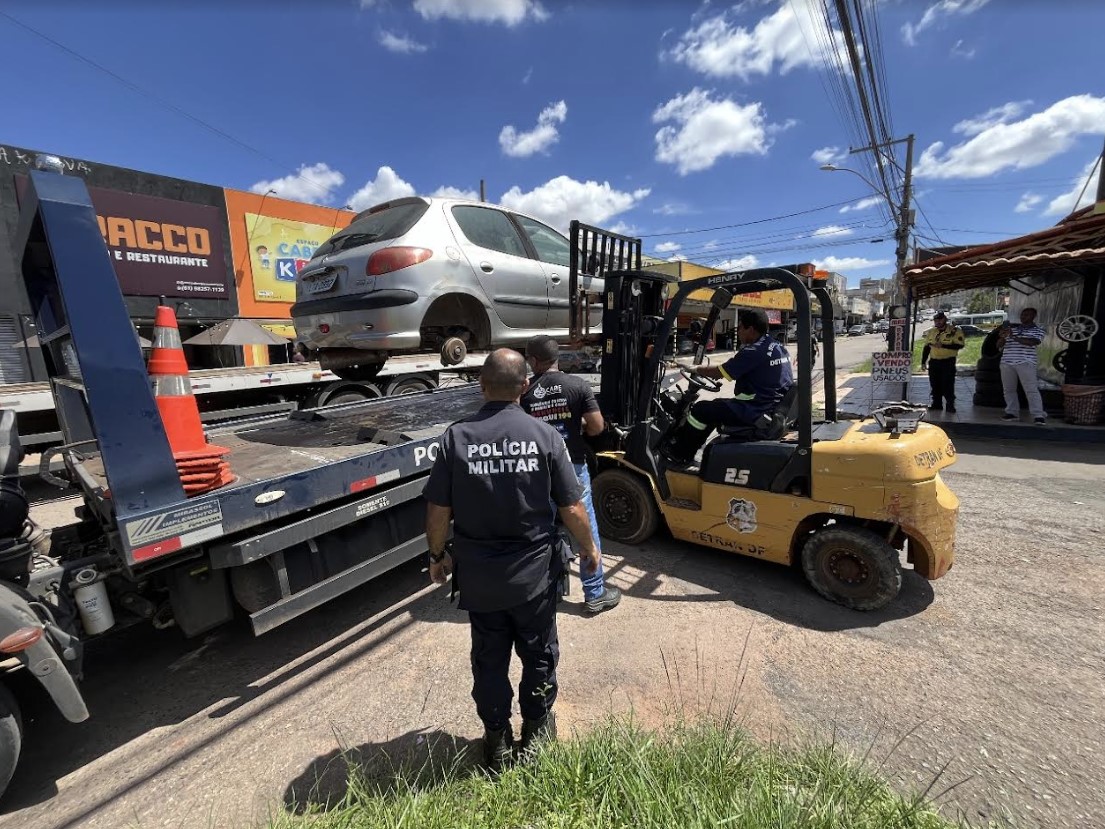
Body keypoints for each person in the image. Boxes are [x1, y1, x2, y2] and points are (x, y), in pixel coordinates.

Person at [423, 349, 601, 770]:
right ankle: (536, 734)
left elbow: (437, 510)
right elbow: (572, 508)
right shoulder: (545, 436)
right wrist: (590, 551)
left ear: (482, 387)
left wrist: (436, 555)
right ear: (525, 386)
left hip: (481, 580)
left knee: (489, 659)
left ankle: (496, 740)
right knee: (539, 655)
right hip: (534, 579)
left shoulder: (456, 437)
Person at [521, 336, 621, 615]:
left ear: (534, 361)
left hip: (539, 473)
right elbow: (597, 426)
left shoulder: (526, 392)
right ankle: (595, 593)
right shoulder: (578, 385)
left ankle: (546, 592)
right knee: (585, 529)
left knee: (542, 532)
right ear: (556, 359)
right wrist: (579, 435)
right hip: (572, 468)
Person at [664, 309, 793, 464]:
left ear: (750, 329)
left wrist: (695, 369)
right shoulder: (775, 346)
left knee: (700, 410)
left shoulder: (754, 351)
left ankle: (680, 453)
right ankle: (693, 446)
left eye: (740, 328)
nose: (738, 332)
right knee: (717, 406)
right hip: (769, 407)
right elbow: (730, 367)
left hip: (755, 410)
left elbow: (720, 373)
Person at [998, 307, 1047, 424]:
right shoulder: (1012, 330)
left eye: (1026, 315)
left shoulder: (1038, 330)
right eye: (1022, 315)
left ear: (1033, 317)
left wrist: (1013, 337)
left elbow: (1032, 342)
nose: (1023, 317)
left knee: (1031, 389)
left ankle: (1038, 415)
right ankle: (1012, 412)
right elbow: (998, 345)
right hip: (1007, 362)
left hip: (1026, 362)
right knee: (1008, 389)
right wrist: (1002, 337)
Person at [920, 312, 965, 413]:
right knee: (935, 384)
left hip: (948, 362)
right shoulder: (932, 332)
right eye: (936, 320)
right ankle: (937, 404)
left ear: (945, 320)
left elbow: (960, 345)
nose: (938, 322)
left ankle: (950, 405)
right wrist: (923, 362)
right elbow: (927, 347)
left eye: (940, 320)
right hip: (934, 361)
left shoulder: (954, 331)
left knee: (947, 384)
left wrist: (944, 346)